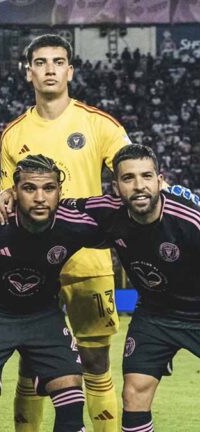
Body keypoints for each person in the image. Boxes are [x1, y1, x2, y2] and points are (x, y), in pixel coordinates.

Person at [0, 34, 130, 432]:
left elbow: (133, 173)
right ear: (28, 71)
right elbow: (5, 197)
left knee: (96, 361)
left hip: (88, 261)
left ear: (70, 70)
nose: (49, 68)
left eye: (58, 61)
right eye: (41, 62)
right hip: (32, 264)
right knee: (32, 365)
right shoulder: (14, 134)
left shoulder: (99, 125)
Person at [0, 155, 105, 432]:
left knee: (72, 404)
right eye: (29, 188)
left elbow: (128, 230)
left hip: (43, 315)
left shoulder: (77, 224)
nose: (39, 197)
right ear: (15, 190)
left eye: (48, 188)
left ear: (60, 191)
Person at [66, 145, 200, 432]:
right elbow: (53, 206)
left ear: (160, 180)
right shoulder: (108, 211)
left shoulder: (190, 220)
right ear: (116, 186)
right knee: (134, 393)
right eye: (128, 178)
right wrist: (9, 195)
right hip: (155, 315)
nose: (139, 186)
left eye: (146, 176)